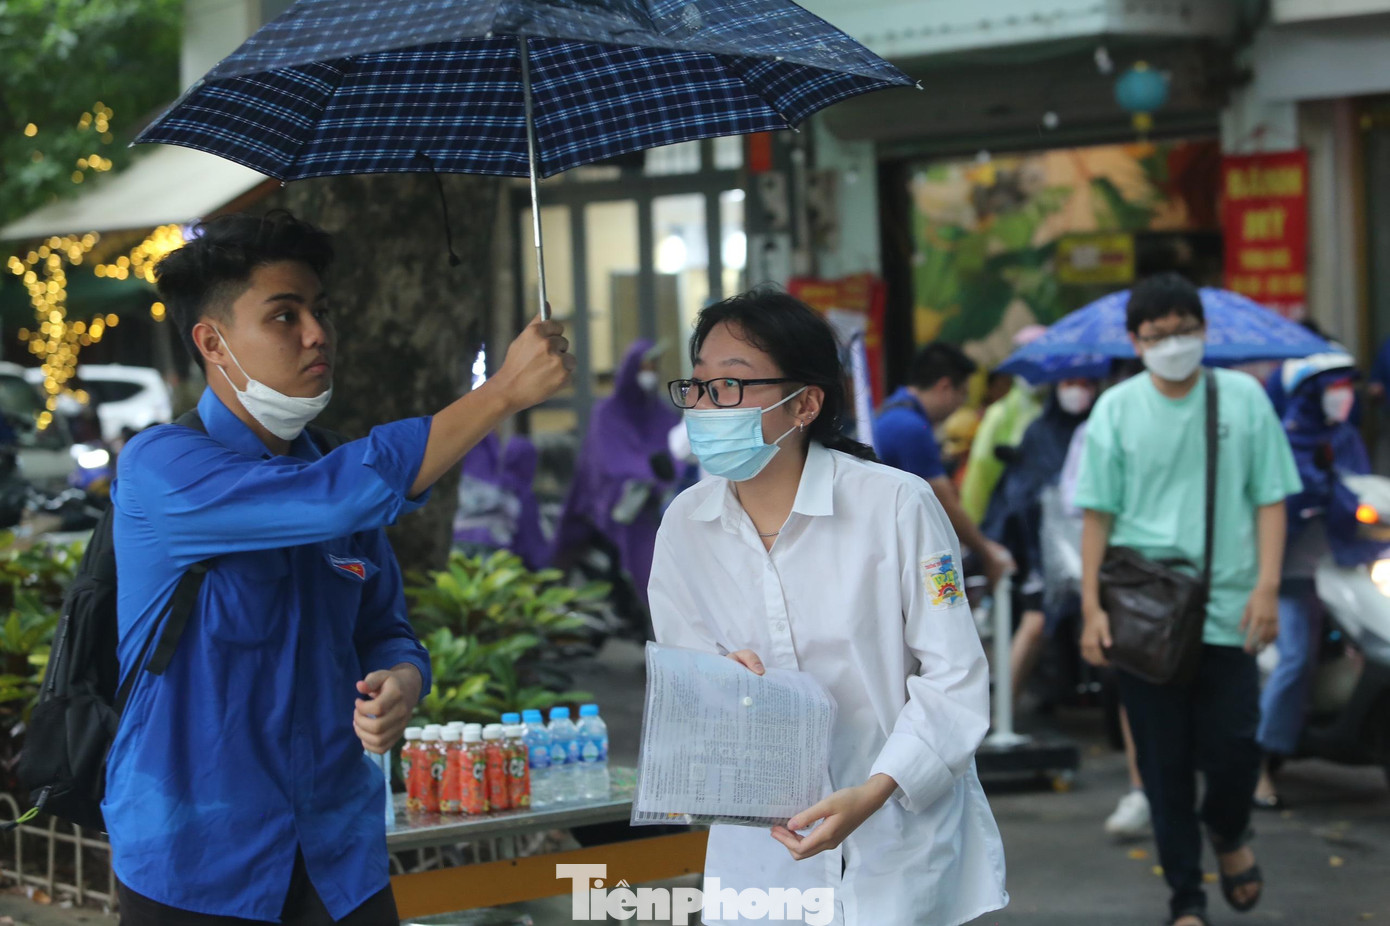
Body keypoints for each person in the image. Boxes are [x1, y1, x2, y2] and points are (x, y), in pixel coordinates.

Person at [108, 211, 574, 923]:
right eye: (284, 316)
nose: (317, 333)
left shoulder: (333, 470)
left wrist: (403, 678)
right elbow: (328, 501)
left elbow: (386, 628)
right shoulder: (162, 467)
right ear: (213, 342)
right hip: (196, 864)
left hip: (337, 859)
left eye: (320, 311)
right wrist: (502, 391)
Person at [649, 290, 1008, 926]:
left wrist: (877, 790)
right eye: (698, 386)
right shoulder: (686, 524)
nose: (705, 407)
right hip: (760, 850)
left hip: (897, 837)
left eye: (730, 385)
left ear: (806, 403)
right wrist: (717, 680)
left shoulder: (897, 506)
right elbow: (687, 677)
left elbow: (954, 676)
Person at [1076, 272, 1301, 926]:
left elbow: (1271, 498)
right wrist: (1092, 608)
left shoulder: (1243, 399)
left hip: (1231, 608)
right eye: (1157, 335)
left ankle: (1229, 833)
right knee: (1164, 766)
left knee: (1234, 750)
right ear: (1135, 341)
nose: (1173, 344)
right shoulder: (1115, 408)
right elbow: (1097, 517)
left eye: (1183, 331)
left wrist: (1266, 587)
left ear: (1204, 331)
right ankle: (1186, 901)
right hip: (1144, 615)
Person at [1256, 352, 1373, 809]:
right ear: (1307, 395)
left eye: (1346, 385)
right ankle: (1259, 766)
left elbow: (1364, 493)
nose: (1342, 395)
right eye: (1332, 386)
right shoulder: (1283, 441)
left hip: (1348, 568)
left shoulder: (1344, 437)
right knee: (1296, 658)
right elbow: (1279, 506)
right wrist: (1317, 486)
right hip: (1292, 575)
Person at [983, 377, 1097, 706]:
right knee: (1037, 621)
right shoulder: (1039, 432)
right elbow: (1020, 495)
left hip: (1095, 545)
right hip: (1043, 550)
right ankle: (999, 712)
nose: (1079, 390)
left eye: (1087, 384)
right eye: (1071, 383)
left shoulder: (1101, 427)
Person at [874, 342, 1013, 587]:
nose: (960, 405)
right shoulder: (911, 428)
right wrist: (986, 552)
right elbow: (945, 504)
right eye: (963, 395)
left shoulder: (890, 410)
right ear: (945, 387)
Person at [550, 339, 678, 605]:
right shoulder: (607, 414)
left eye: (654, 367)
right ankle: (654, 612)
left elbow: (675, 452)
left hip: (664, 503)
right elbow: (610, 461)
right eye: (645, 367)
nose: (650, 374)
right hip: (619, 505)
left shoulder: (661, 414)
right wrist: (647, 477)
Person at [959, 325, 1049, 522]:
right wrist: (976, 533)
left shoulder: (1057, 412)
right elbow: (980, 478)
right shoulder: (1000, 414)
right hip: (1008, 525)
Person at [453, 431, 548, 570]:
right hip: (495, 566)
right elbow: (532, 545)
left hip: (454, 560)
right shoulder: (515, 492)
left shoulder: (464, 486)